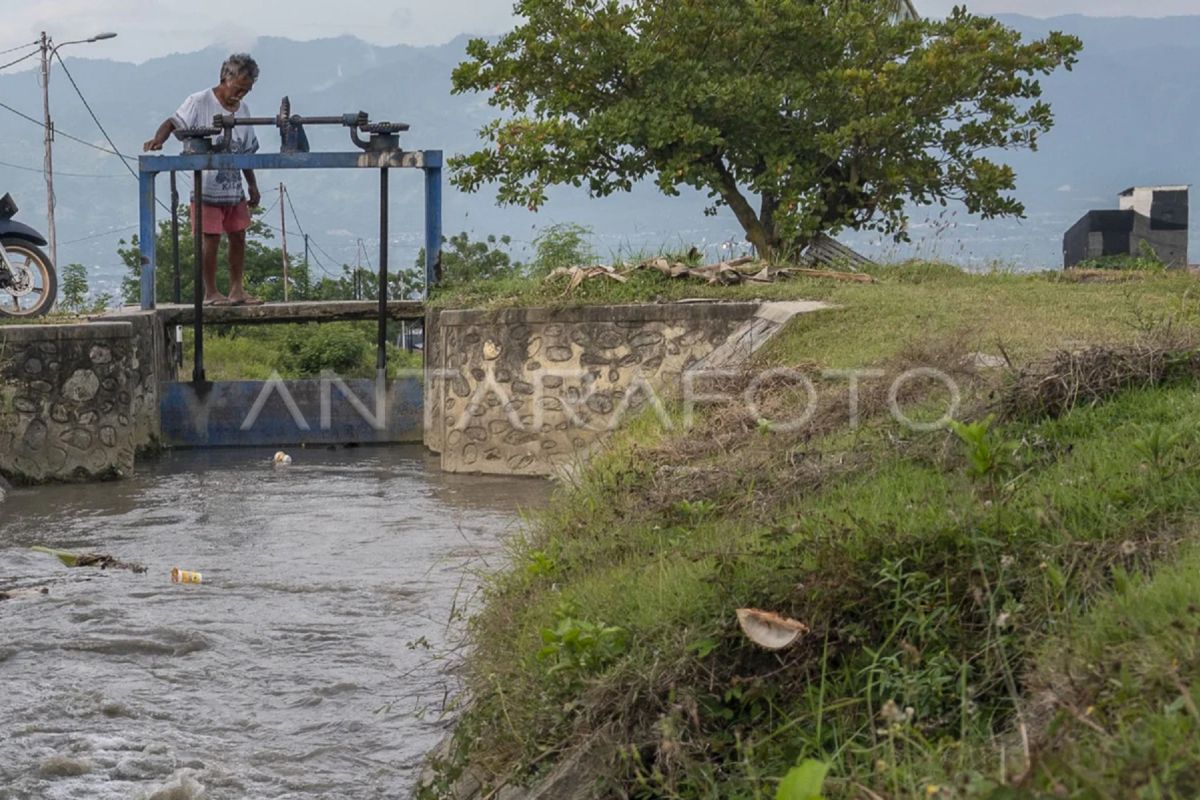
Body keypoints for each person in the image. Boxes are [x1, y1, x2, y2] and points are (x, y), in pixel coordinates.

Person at [143, 53, 263, 306]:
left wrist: (252, 184)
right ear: (224, 78)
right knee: (211, 239)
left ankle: (236, 289)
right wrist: (159, 139)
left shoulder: (244, 110)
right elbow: (173, 122)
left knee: (239, 235)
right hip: (207, 188)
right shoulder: (199, 101)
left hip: (233, 189)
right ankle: (211, 292)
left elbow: (246, 152)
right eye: (238, 89)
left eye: (246, 91)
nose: (240, 96)